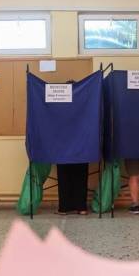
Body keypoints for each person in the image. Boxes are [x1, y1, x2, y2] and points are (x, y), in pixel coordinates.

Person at [55, 79, 89, 215]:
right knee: (81, 177)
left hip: (62, 148)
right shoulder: (84, 106)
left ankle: (64, 208)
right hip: (82, 147)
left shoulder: (59, 107)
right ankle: (81, 207)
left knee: (64, 177)